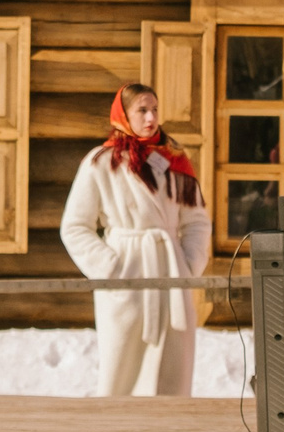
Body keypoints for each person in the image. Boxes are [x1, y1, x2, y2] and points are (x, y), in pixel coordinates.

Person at [61, 84, 213, 397]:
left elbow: (196, 220)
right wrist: (112, 269)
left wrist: (188, 266)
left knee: (172, 369)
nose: (151, 117)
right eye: (142, 110)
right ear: (124, 114)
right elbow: (75, 226)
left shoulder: (174, 160)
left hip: (170, 273)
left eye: (154, 109)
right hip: (127, 275)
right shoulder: (101, 163)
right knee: (123, 368)